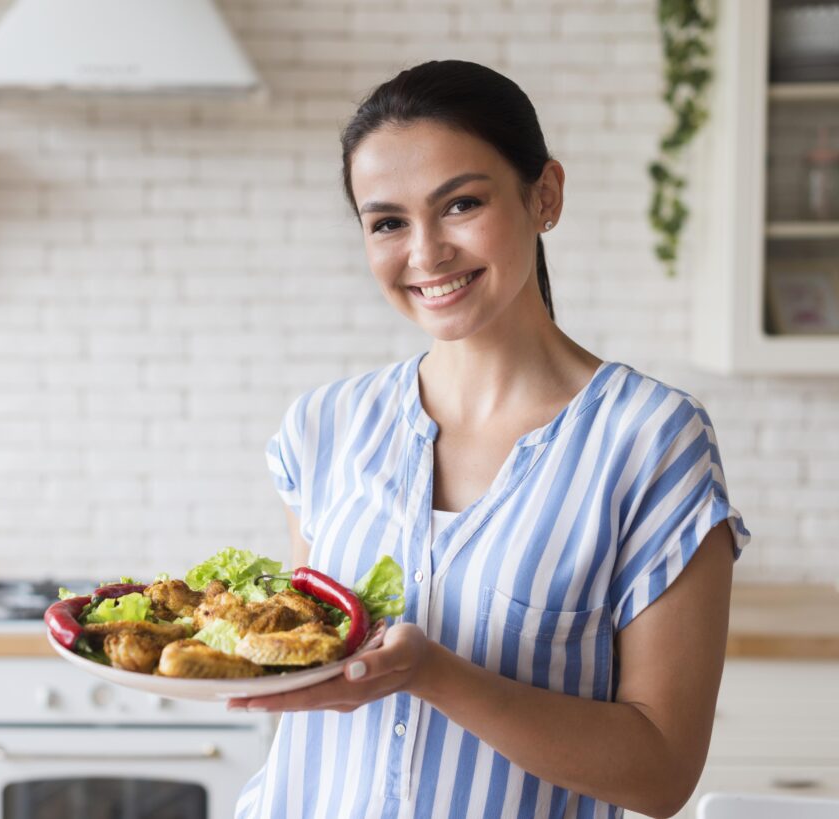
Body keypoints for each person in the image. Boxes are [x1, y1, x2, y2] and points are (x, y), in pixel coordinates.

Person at [228, 60, 750, 819]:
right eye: (388, 222)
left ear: (545, 196)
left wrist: (433, 674)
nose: (426, 252)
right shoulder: (323, 427)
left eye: (461, 204)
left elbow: (662, 770)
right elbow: (307, 666)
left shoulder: (651, 439)